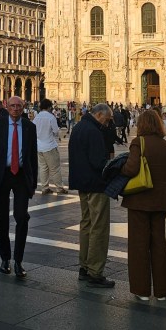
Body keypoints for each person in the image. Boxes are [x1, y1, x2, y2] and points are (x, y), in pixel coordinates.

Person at [120, 109, 166, 301]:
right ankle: (162, 292)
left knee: (139, 245)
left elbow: (131, 168)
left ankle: (141, 290)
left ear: (141, 124)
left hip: (139, 202)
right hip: (160, 201)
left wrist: (120, 168)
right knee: (159, 244)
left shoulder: (139, 143)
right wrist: (160, 189)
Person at [0, 96, 37, 278]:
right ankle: (5, 258)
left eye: (19, 106)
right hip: (1, 175)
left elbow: (33, 158)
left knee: (22, 217)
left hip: (20, 176)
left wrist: (33, 182)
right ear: (6, 106)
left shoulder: (30, 127)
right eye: (12, 106)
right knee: (1, 219)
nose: (15, 109)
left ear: (23, 107)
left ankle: (18, 260)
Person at [68, 102, 116, 288]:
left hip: (82, 184)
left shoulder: (79, 127)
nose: (108, 123)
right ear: (98, 115)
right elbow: (98, 162)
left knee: (86, 224)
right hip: (96, 185)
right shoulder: (94, 131)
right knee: (99, 227)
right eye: (107, 119)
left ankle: (84, 267)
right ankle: (95, 272)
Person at [34, 98, 66, 194]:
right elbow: (56, 131)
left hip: (39, 146)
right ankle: (59, 188)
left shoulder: (37, 117)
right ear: (48, 107)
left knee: (43, 168)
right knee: (55, 168)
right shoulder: (50, 117)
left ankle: (45, 187)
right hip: (49, 146)